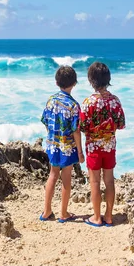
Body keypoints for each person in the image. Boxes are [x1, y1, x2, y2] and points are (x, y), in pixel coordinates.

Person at [80, 62, 125, 227]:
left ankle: (96, 217)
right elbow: (121, 124)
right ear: (108, 79)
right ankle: (109, 216)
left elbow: (83, 127)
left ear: (91, 80)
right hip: (110, 146)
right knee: (109, 181)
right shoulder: (115, 101)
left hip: (93, 148)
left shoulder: (88, 103)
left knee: (95, 183)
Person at [40, 66, 85, 223]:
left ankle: (46, 211)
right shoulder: (73, 105)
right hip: (67, 147)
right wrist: (80, 152)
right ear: (74, 83)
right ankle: (63, 213)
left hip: (53, 144)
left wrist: (52, 135)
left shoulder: (51, 101)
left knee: (52, 174)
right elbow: (76, 131)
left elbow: (45, 120)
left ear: (56, 82)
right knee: (66, 177)